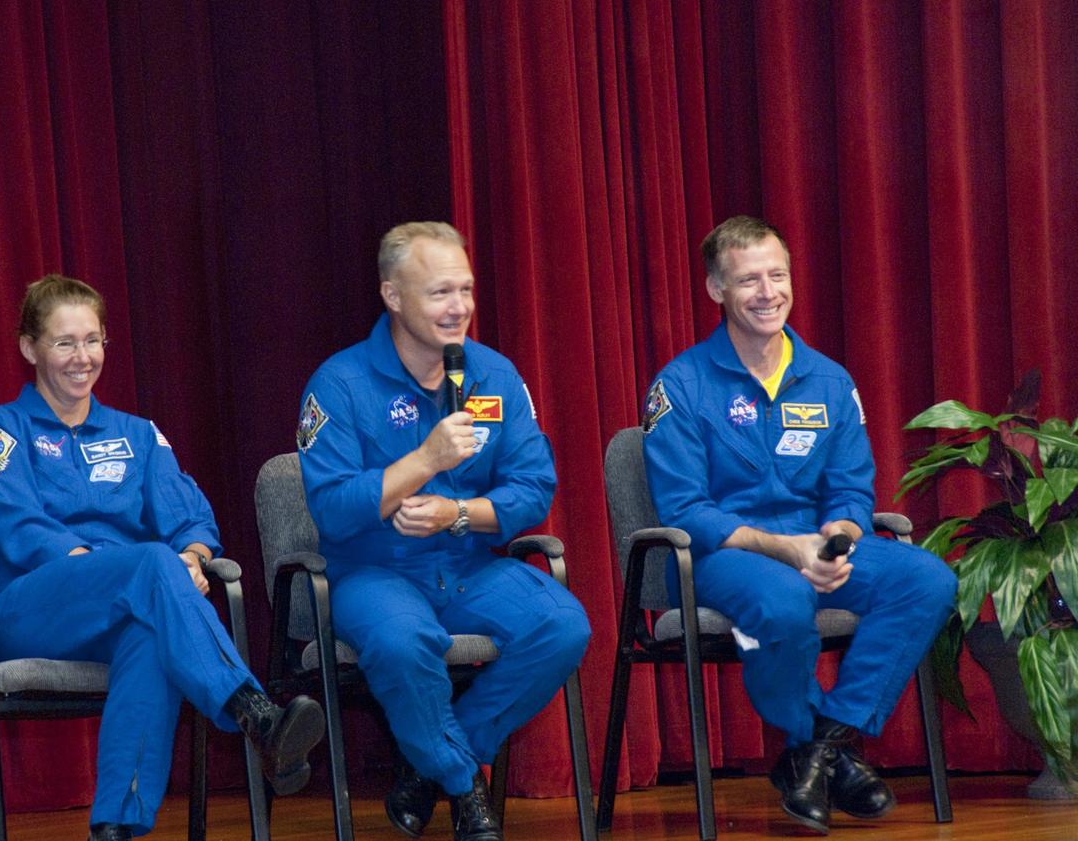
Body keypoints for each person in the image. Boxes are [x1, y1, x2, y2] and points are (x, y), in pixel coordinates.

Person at [0, 275, 325, 841]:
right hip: (29, 610)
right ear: (29, 348)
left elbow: (193, 521)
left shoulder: (136, 435)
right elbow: (21, 529)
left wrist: (193, 559)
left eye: (93, 340)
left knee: (155, 635)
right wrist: (136, 569)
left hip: (126, 605)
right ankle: (254, 712)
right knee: (150, 566)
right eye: (64, 343)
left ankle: (116, 827)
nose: (82, 358)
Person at [640, 216, 957, 835]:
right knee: (785, 599)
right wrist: (787, 549)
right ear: (715, 289)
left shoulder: (830, 381)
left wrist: (837, 537)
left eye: (777, 275)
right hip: (730, 553)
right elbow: (684, 510)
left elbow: (850, 487)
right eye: (747, 279)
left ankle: (821, 751)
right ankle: (816, 745)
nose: (767, 292)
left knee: (927, 580)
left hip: (816, 543)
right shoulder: (679, 385)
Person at [297, 222, 591, 841]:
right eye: (438, 293)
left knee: (564, 626)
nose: (459, 307)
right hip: (376, 571)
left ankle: (430, 765)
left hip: (468, 563)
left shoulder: (494, 376)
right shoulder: (340, 383)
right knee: (406, 644)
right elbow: (330, 507)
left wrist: (459, 514)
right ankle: (464, 785)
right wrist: (423, 463)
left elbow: (534, 487)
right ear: (392, 295)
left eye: (466, 289)